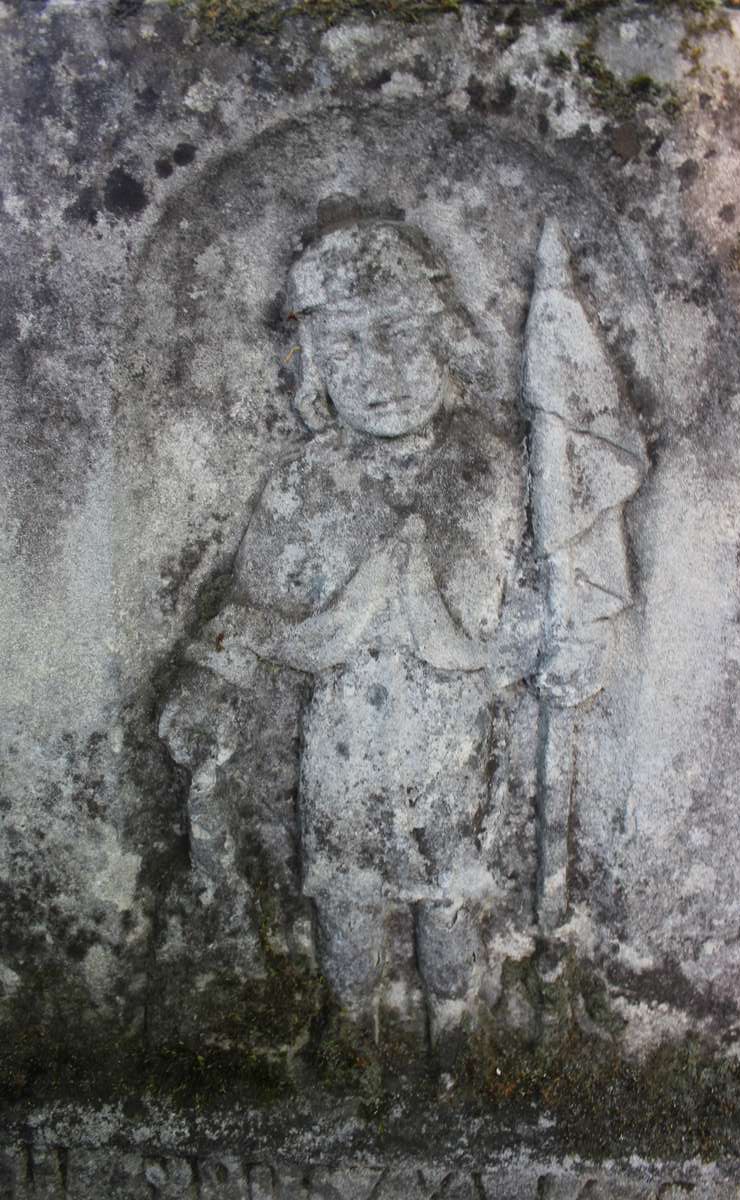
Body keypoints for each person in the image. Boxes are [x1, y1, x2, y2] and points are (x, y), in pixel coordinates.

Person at [170, 218, 541, 1049]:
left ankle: (453, 1035)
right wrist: (207, 684)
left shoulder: (491, 469)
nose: (374, 372)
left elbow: (529, 598)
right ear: (313, 370)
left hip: (452, 740)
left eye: (398, 338)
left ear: (443, 342)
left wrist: (541, 641)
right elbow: (247, 607)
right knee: (347, 907)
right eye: (342, 351)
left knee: (448, 913)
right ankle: (351, 1038)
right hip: (345, 744)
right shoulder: (308, 481)